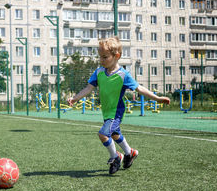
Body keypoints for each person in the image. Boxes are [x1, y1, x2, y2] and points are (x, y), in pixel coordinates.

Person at [68, 37, 170, 174]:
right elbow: (88, 88)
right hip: (106, 112)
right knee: (115, 134)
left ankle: (116, 157)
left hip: (116, 112)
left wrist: (157, 98)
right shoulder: (98, 73)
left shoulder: (123, 75)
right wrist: (75, 98)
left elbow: (139, 88)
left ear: (117, 56)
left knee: (103, 134)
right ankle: (130, 152)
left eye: (105, 57)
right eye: (100, 57)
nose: (101, 60)